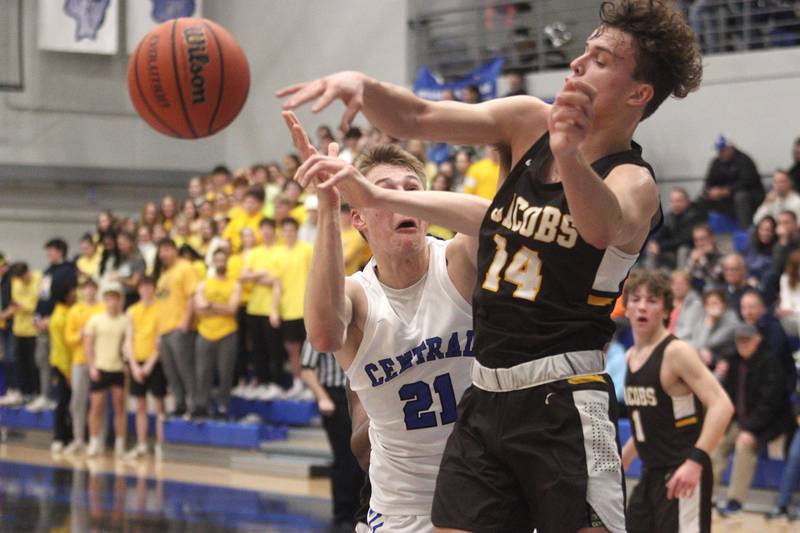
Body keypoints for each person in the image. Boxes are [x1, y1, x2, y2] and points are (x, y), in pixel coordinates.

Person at [280, 0, 702, 529]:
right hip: (485, 394)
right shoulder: (527, 121)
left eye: (600, 59)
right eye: (584, 50)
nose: (577, 63)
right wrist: (364, 88)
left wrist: (569, 153)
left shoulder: (633, 181)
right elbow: (418, 117)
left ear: (638, 93)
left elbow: (599, 226)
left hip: (564, 395)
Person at [285, 113, 481, 533]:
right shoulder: (358, 295)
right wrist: (328, 207)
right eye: (384, 192)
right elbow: (322, 334)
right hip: (401, 509)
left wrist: (390, 194)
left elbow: (499, 223)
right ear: (359, 218)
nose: (401, 201)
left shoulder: (457, 262)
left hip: (484, 496)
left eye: (412, 191)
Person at [621, 270, 733, 533]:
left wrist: (695, 461)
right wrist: (622, 460)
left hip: (682, 470)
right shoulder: (631, 356)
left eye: (652, 300)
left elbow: (722, 405)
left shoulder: (677, 352)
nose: (642, 307)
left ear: (666, 310)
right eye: (636, 299)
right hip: (651, 472)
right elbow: (647, 421)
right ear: (626, 309)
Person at [712, 323, 796, 516]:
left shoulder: (770, 363)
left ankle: (735, 501)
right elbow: (726, 397)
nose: (743, 344)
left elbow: (769, 405)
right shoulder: (732, 362)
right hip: (740, 420)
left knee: (744, 444)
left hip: (770, 422)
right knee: (717, 444)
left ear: (757, 339)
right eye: (739, 340)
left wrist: (750, 429)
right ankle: (707, 496)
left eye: (747, 340)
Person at [300, 340, 365, 532]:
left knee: (364, 458)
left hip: (361, 395)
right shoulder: (320, 332)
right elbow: (306, 370)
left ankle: (362, 512)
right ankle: (343, 514)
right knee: (345, 458)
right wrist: (323, 397)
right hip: (335, 397)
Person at [30, 238, 78, 412]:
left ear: (60, 251)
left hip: (58, 323)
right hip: (42, 323)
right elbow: (43, 296)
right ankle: (46, 395)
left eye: (51, 250)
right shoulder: (48, 271)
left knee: (59, 361)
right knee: (42, 359)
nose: (48, 254)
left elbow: (69, 299)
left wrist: (51, 318)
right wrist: (36, 316)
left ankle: (63, 398)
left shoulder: (69, 270)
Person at [194, 249, 241, 418]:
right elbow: (199, 308)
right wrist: (222, 307)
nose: (220, 262)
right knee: (202, 372)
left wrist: (211, 305)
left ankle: (222, 406)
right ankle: (202, 405)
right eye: (217, 260)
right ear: (213, 262)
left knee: (225, 372)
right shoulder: (203, 284)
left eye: (223, 259)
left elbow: (232, 309)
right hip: (205, 332)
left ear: (227, 262)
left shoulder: (235, 284)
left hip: (227, 333)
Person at [240, 220, 284, 398]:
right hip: (254, 307)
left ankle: (276, 383)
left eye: (269, 229)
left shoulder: (281, 251)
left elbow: (277, 279)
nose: (266, 232)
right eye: (263, 229)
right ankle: (261, 381)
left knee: (274, 348)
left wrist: (255, 276)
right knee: (257, 348)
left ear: (274, 231)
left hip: (273, 307)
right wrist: (262, 274)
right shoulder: (254, 252)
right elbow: (243, 276)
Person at [84, 282, 129, 457]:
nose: (112, 302)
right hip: (100, 368)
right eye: (109, 299)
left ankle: (120, 445)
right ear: (105, 300)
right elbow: (88, 345)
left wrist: (126, 363)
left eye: (115, 299)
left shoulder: (125, 321)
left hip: (118, 369)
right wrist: (92, 366)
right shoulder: (95, 320)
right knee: (96, 408)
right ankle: (94, 442)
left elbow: (128, 344)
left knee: (119, 409)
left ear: (120, 301)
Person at [155, 238, 198, 417]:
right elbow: (160, 305)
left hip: (180, 327)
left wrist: (186, 321)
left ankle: (194, 405)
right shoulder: (164, 275)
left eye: (166, 250)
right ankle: (180, 404)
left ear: (174, 250)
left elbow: (193, 296)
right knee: (171, 371)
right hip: (165, 330)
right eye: (160, 251)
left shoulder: (186, 268)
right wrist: (158, 333)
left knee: (185, 368)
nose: (163, 254)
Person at [124, 277, 166, 459]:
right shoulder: (132, 310)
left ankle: (161, 445)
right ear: (139, 290)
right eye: (142, 287)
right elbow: (128, 340)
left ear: (154, 289)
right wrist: (134, 365)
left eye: (149, 287)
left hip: (155, 362)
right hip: (137, 361)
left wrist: (150, 364)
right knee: (140, 405)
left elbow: (161, 340)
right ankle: (141, 444)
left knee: (159, 405)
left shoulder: (161, 308)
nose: (146, 290)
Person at [63, 278, 105, 455]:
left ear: (96, 289)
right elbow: (68, 337)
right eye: (86, 288)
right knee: (77, 402)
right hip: (79, 360)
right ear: (82, 291)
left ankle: (98, 440)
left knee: (99, 404)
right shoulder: (75, 310)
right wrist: (79, 336)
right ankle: (78, 439)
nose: (89, 291)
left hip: (99, 361)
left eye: (92, 288)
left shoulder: (102, 309)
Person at [697, 136, 765, 229]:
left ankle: (745, 230)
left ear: (731, 148)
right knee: (701, 199)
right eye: (719, 150)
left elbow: (747, 182)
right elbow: (709, 181)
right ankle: (702, 231)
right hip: (725, 200)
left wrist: (727, 191)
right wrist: (709, 192)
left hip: (748, 198)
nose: (720, 153)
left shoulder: (744, 160)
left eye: (723, 150)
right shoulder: (716, 162)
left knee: (741, 197)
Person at [647, 187, 705, 270]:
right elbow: (660, 233)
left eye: (679, 201)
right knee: (652, 249)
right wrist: (655, 243)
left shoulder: (695, 215)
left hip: (691, 249)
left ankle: (682, 275)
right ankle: (651, 276)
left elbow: (685, 239)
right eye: (673, 201)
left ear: (687, 201)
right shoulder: (670, 216)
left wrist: (661, 246)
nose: (675, 204)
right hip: (671, 249)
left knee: (683, 250)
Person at [686, 288, 740, 373]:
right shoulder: (703, 318)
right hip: (708, 359)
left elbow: (709, 343)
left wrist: (710, 322)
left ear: (723, 304)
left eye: (715, 303)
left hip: (728, 363)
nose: (712, 307)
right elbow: (695, 342)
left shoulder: (731, 319)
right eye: (708, 304)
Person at [49, 286, 76, 453]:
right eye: (72, 292)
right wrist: (68, 372)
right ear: (65, 296)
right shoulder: (60, 317)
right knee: (62, 402)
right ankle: (60, 437)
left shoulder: (68, 312)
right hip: (62, 366)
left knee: (69, 402)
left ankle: (68, 436)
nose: (75, 294)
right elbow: (62, 349)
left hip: (68, 365)